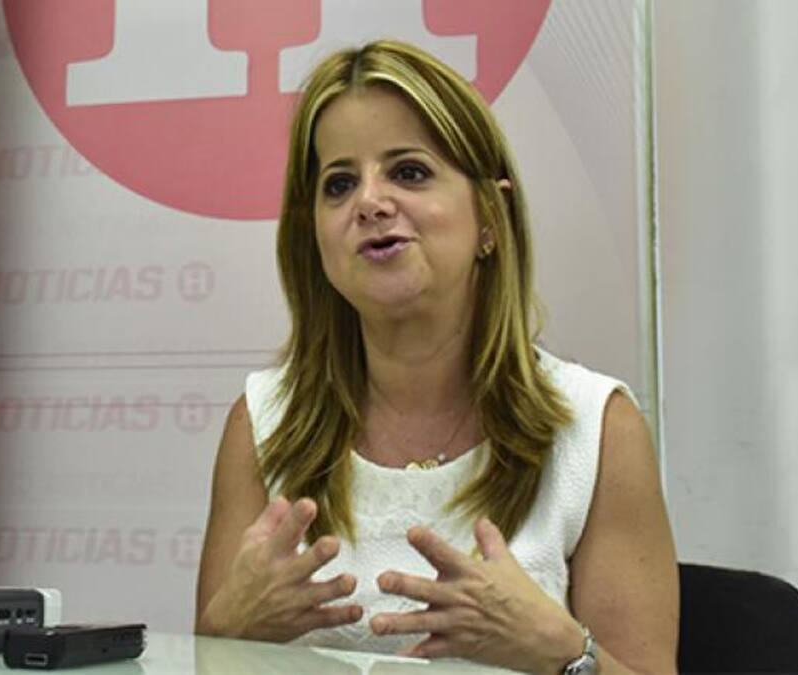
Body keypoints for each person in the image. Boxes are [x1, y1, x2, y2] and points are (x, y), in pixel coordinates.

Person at [195, 40, 678, 675]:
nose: (370, 202)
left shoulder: (596, 428)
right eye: (339, 184)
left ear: (490, 218)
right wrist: (225, 634)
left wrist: (560, 652)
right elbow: (208, 664)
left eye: (409, 172)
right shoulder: (263, 424)